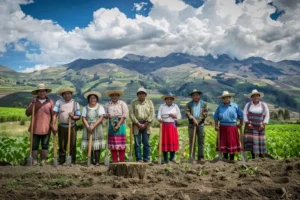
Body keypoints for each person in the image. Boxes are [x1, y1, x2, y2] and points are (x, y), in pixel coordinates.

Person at [25, 83, 55, 166]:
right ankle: (34, 161)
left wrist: (53, 125)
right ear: (37, 93)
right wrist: (32, 104)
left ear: (46, 92)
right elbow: (27, 113)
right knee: (34, 146)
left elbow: (54, 115)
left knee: (45, 145)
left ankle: (43, 161)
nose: (42, 93)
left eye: (43, 91)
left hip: (46, 128)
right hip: (35, 128)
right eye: (40, 91)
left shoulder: (50, 102)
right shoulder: (33, 102)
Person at [52, 88, 81, 165]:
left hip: (72, 126)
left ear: (71, 94)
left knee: (72, 144)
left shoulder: (75, 103)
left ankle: (71, 160)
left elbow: (78, 116)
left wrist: (73, 117)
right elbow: (54, 114)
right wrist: (54, 125)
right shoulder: (59, 102)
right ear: (62, 95)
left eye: (68, 93)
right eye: (65, 94)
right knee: (61, 144)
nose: (67, 95)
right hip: (61, 126)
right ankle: (61, 160)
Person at [214, 91, 243, 161]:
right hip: (222, 127)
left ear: (230, 98)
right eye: (224, 98)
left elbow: (241, 116)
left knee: (231, 143)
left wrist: (241, 124)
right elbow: (216, 117)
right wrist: (216, 125)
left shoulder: (235, 106)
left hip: (232, 127)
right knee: (224, 143)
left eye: (227, 97)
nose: (226, 99)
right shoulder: (220, 107)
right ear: (222, 99)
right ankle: (225, 158)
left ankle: (232, 159)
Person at [129, 87, 155, 162]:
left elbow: (152, 113)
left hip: (147, 124)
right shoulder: (134, 102)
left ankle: (146, 158)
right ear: (137, 95)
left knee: (146, 143)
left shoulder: (149, 102)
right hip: (136, 124)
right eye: (139, 94)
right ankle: (139, 158)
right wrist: (137, 123)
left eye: (143, 94)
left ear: (145, 95)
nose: (141, 95)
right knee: (137, 143)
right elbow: (131, 113)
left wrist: (145, 124)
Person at [243, 89, 270, 159]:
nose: (255, 97)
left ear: (259, 96)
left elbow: (267, 115)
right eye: (253, 96)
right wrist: (247, 122)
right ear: (251, 97)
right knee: (252, 141)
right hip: (250, 126)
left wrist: (263, 124)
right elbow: (245, 114)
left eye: (257, 96)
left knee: (260, 141)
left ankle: (261, 157)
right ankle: (253, 157)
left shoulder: (263, 105)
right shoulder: (248, 105)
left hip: (260, 127)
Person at [81, 91, 106, 165]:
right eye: (91, 98)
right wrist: (88, 127)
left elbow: (101, 117)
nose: (93, 100)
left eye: (94, 98)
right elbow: (83, 118)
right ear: (88, 99)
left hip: (97, 127)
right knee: (89, 144)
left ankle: (97, 161)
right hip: (87, 127)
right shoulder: (85, 108)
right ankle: (90, 160)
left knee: (96, 144)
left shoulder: (100, 107)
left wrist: (94, 125)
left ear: (96, 99)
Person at [104, 90, 128, 163]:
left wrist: (118, 124)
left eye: (116, 95)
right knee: (113, 143)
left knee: (121, 143)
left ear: (118, 96)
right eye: (112, 95)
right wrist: (107, 115)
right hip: (111, 125)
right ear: (110, 96)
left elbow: (124, 115)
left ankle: (121, 161)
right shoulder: (107, 105)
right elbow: (104, 114)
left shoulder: (122, 104)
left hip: (121, 124)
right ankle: (115, 161)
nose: (114, 97)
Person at [185, 89, 208, 163]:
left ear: (199, 96)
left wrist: (198, 120)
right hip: (192, 124)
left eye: (197, 95)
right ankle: (192, 157)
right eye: (194, 95)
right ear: (192, 97)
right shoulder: (189, 104)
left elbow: (205, 113)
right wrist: (193, 119)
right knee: (192, 141)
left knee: (201, 141)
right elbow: (187, 113)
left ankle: (200, 157)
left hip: (200, 124)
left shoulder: (204, 104)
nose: (195, 96)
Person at [157, 94, 182, 164]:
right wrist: (160, 119)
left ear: (173, 100)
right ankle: (165, 159)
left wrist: (174, 116)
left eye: (171, 99)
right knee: (164, 141)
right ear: (165, 100)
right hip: (164, 125)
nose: (169, 100)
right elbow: (159, 115)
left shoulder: (175, 106)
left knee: (172, 141)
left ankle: (172, 157)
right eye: (167, 99)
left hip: (172, 125)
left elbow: (179, 117)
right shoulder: (162, 106)